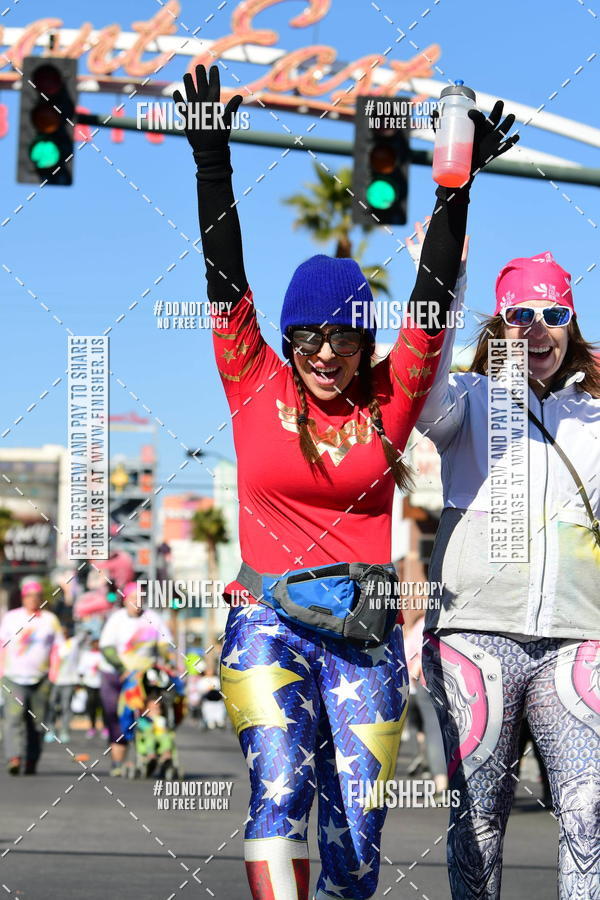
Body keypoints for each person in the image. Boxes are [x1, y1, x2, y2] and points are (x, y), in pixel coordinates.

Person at [175, 64, 517, 899]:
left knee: (357, 845)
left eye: (344, 338)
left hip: (364, 635)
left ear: (367, 344)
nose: (325, 354)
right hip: (267, 623)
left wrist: (457, 191)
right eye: (308, 337)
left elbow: (431, 295)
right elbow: (225, 277)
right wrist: (211, 161)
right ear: (287, 339)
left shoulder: (393, 397)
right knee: (280, 792)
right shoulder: (252, 376)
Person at [417, 248, 600, 898]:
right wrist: (446, 275)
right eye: (522, 314)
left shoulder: (594, 414)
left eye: (556, 314)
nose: (539, 328)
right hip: (476, 636)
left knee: (589, 811)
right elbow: (420, 389)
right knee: (479, 818)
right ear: (499, 324)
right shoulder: (468, 402)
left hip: (578, 638)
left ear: (572, 325)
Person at [99, 581, 173, 775]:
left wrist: (167, 661)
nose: (137, 603)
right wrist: (121, 668)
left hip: (144, 677)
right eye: (133, 599)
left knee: (151, 714)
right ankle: (117, 763)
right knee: (118, 717)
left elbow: (164, 644)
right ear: (125, 600)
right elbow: (106, 647)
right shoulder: (117, 619)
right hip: (116, 675)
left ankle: (153, 753)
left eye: (141, 599)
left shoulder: (153, 618)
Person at [0, 579, 62, 774]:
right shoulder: (11, 617)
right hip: (13, 677)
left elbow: (59, 647)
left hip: (41, 679)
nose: (33, 599)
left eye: (36, 596)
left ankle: (31, 760)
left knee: (37, 723)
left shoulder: (50, 620)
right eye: (29, 596)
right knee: (13, 717)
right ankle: (14, 757)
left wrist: (54, 674)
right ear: (23, 598)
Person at [78, 634, 107, 738]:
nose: (97, 644)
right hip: (90, 684)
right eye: (95, 642)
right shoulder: (86, 655)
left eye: (98, 642)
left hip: (102, 684)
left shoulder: (104, 655)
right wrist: (81, 682)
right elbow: (81, 670)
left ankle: (105, 727)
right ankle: (92, 727)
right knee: (91, 706)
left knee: (103, 706)